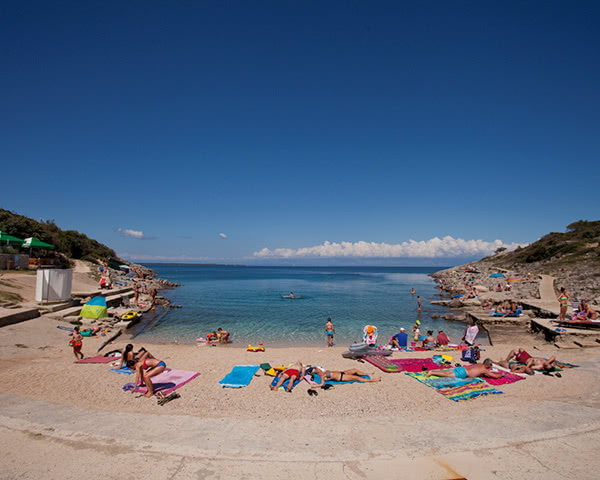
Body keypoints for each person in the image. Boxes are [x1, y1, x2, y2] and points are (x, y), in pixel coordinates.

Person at [426, 359, 503, 379]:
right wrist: (501, 374)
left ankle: (433, 371)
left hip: (462, 368)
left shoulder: (479, 364)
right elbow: (495, 376)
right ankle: (432, 372)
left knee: (447, 371)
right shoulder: (485, 370)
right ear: (488, 365)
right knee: (447, 375)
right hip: (464, 373)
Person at [312, 366, 381, 386]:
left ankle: (367, 374)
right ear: (318, 372)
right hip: (342, 377)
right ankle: (374, 380)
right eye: (318, 370)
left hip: (343, 372)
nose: (320, 369)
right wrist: (315, 386)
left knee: (354, 370)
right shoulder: (322, 376)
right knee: (357, 378)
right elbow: (322, 384)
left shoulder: (324, 372)